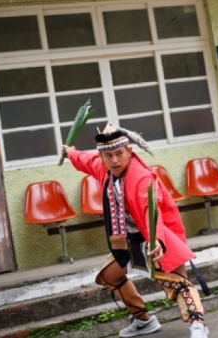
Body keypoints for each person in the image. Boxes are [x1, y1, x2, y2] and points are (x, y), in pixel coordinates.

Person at [62, 125, 209, 338]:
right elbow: (87, 161)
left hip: (158, 237)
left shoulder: (141, 177)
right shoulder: (105, 169)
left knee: (178, 284)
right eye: (108, 155)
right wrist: (71, 152)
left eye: (119, 154)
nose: (114, 160)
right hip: (128, 239)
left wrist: (156, 239)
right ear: (102, 156)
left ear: (129, 151)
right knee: (109, 276)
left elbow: (152, 209)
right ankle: (143, 320)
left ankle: (198, 325)